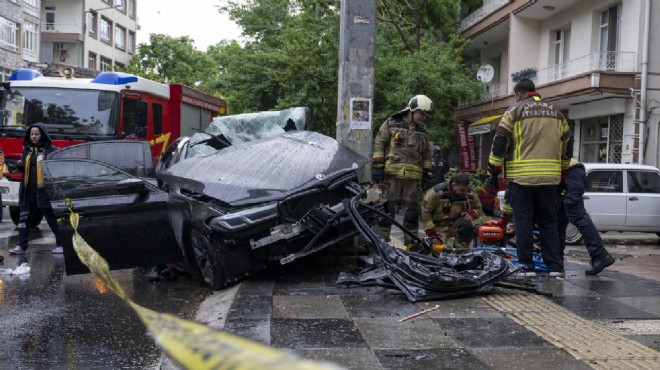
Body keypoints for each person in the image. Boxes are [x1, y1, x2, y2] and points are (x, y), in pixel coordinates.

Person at [488, 78, 571, 277]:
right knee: (548, 222)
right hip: (550, 178)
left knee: (523, 221)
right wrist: (563, 173)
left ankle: (526, 267)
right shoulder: (556, 112)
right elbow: (567, 143)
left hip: (521, 178)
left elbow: (500, 141)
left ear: (518, 94)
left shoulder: (514, 112)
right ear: (535, 92)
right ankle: (555, 267)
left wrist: (493, 168)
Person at [372, 95, 434, 246]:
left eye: (426, 115)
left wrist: (427, 173)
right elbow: (379, 144)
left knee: (412, 213)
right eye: (422, 114)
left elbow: (426, 153)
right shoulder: (392, 123)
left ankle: (411, 245)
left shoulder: (423, 130)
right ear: (412, 110)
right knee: (386, 210)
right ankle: (382, 243)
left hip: (413, 180)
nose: (424, 118)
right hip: (391, 177)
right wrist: (378, 168)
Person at [9, 123, 64, 255]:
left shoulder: (50, 149)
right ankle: (21, 246)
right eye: (31, 134)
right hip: (28, 191)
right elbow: (22, 169)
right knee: (24, 220)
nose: (33, 137)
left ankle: (61, 245)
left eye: (36, 134)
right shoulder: (27, 149)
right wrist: (20, 164)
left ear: (42, 135)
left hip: (44, 193)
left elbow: (56, 169)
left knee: (51, 219)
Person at [557, 158, 615, 275]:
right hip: (568, 173)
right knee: (559, 221)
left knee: (576, 214)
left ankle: (600, 255)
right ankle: (557, 262)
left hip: (571, 172)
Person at [421, 172, 483, 248]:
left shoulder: (470, 193)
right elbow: (425, 211)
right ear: (453, 185)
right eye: (462, 190)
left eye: (466, 189)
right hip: (439, 227)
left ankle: (460, 252)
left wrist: (473, 213)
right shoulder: (436, 193)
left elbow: (479, 209)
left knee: (467, 227)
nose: (465, 192)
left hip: (458, 225)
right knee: (435, 250)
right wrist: (430, 232)